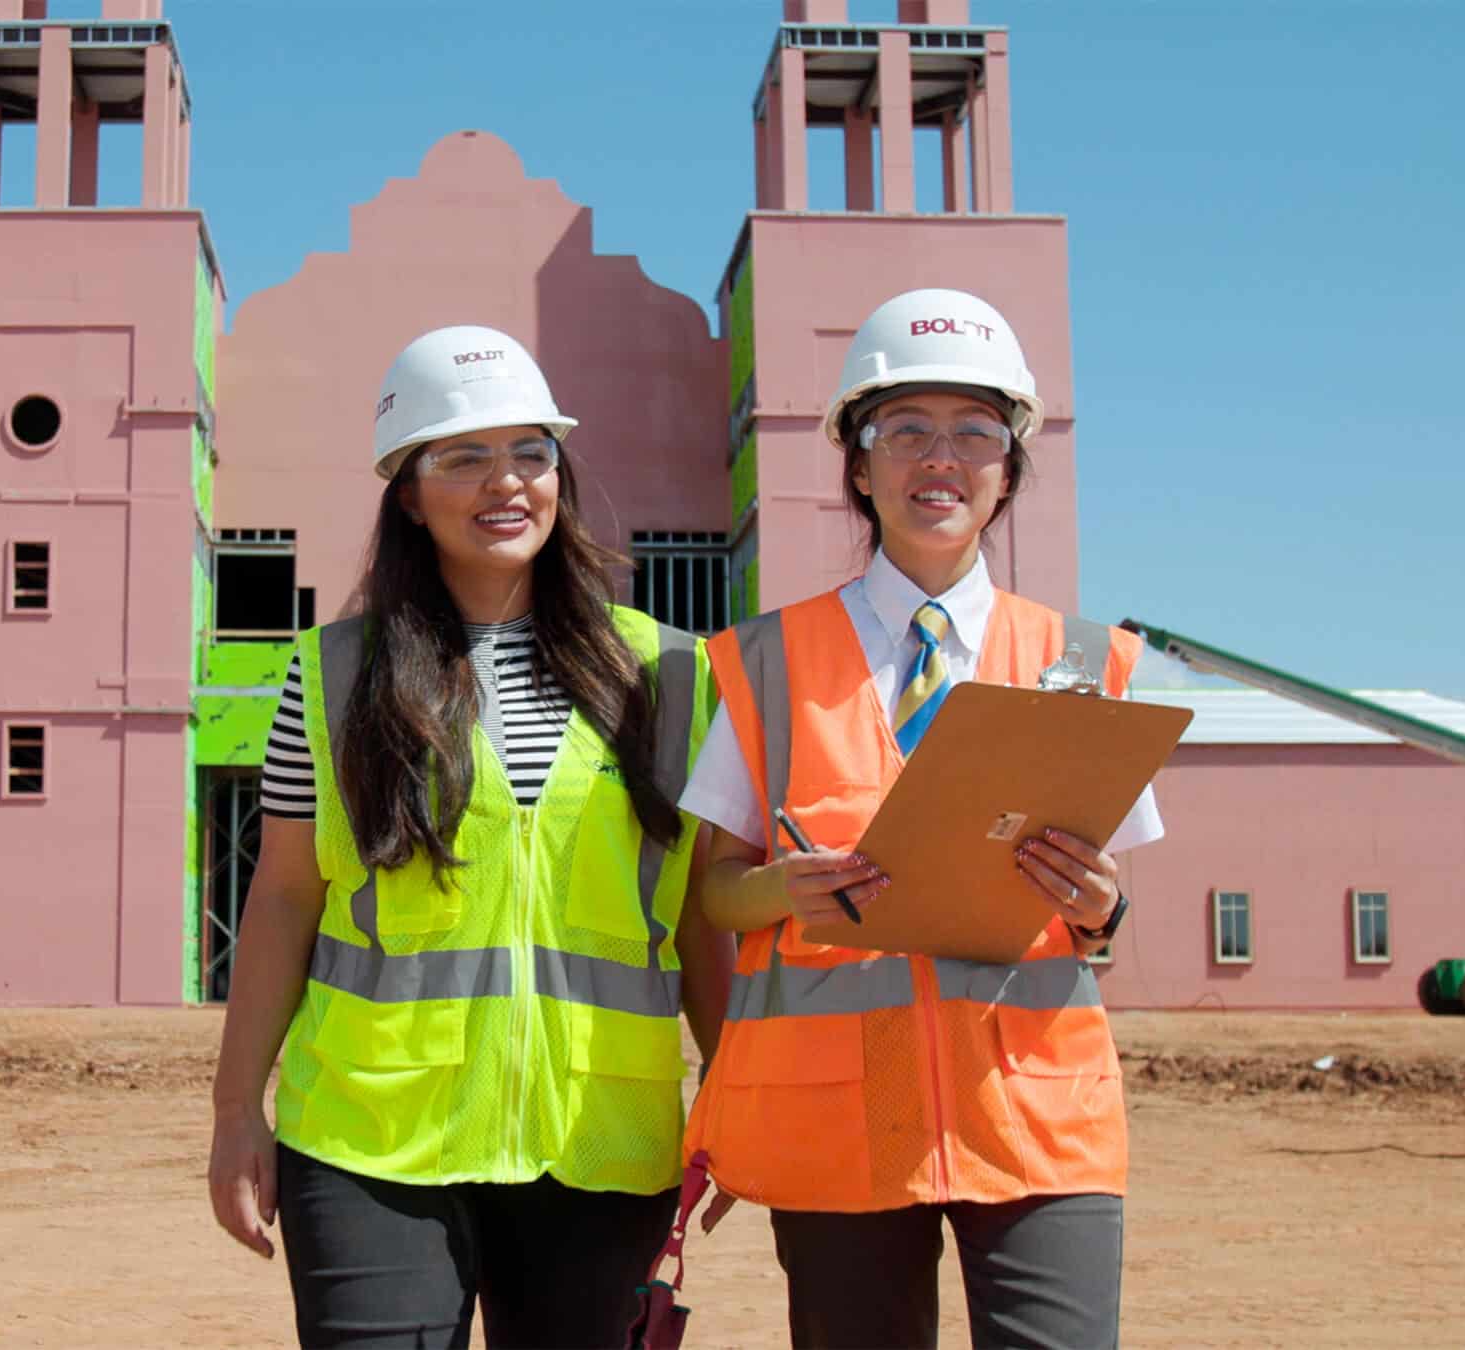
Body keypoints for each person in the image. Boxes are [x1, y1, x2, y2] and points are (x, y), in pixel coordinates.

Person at [205, 325, 727, 1348]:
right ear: (408, 490)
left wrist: (736, 1095)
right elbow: (282, 897)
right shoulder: (332, 673)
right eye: (463, 456)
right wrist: (235, 1115)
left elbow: (700, 907)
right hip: (371, 1136)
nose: (507, 481)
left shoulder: (669, 674)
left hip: (600, 1139)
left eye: (531, 451)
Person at [680, 289, 1160, 1349]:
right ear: (857, 463)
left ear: (1008, 466)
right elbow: (716, 886)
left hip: (1038, 1111)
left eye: (974, 434)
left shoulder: (1083, 664)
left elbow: (1109, 912)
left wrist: (1101, 905)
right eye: (905, 431)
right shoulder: (767, 660)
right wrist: (781, 888)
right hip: (844, 1117)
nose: (940, 460)